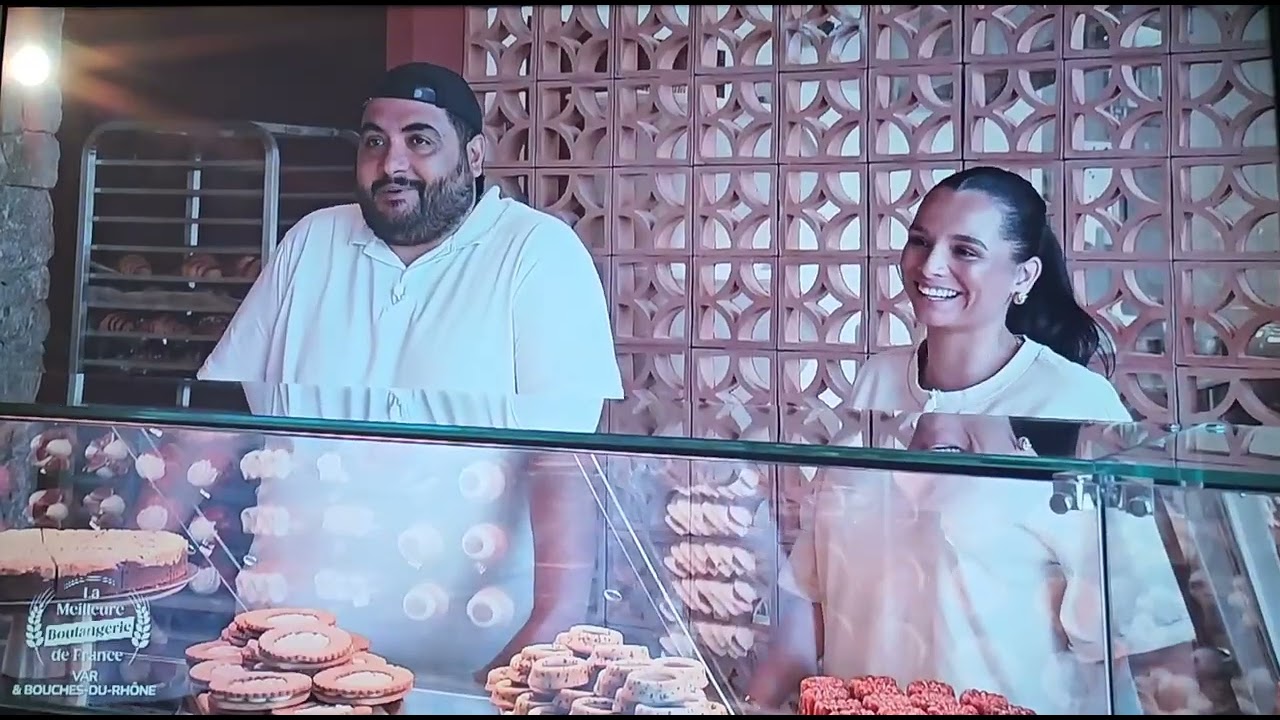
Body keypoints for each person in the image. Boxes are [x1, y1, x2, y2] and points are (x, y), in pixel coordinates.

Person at [197, 62, 623, 399]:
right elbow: (215, 431)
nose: (391, 166)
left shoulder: (538, 254)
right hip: (296, 513)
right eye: (375, 142)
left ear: (474, 158)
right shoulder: (312, 240)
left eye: (419, 141)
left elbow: (562, 463)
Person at [851, 165, 1129, 421]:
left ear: (1023, 276)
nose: (930, 266)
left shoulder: (1080, 400)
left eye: (965, 251)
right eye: (920, 242)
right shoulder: (878, 376)